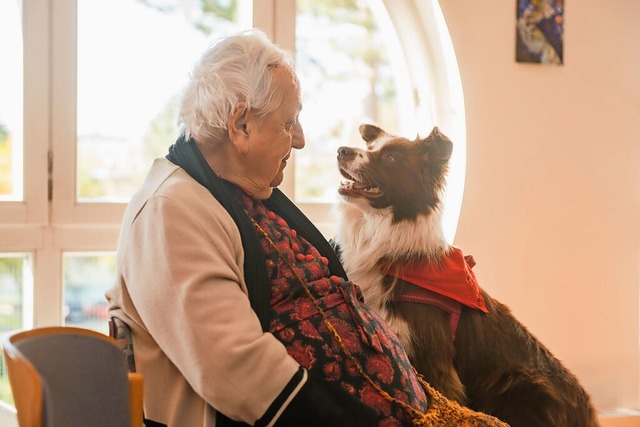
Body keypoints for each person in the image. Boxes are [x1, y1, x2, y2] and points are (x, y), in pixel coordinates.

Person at [106, 29, 507, 427]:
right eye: (289, 122)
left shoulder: (238, 192)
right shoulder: (169, 211)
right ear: (241, 125)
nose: (300, 140)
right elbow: (238, 373)